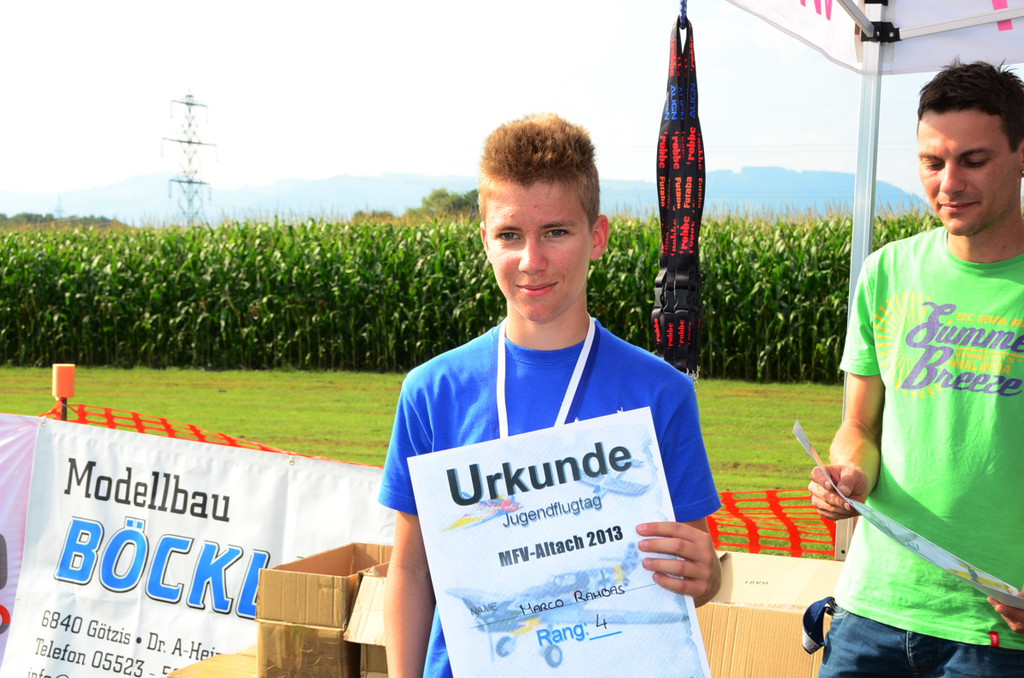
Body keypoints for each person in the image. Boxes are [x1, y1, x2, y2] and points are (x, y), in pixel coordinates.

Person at [378, 112, 722, 677]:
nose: (531, 261)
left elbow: (692, 570)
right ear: (485, 239)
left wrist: (705, 576)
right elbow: (412, 571)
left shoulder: (662, 394)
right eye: (510, 235)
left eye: (556, 232)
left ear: (598, 237)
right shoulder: (433, 392)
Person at [809, 59, 1024, 676]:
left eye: (973, 160)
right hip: (873, 608)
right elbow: (860, 425)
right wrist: (849, 473)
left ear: (1020, 156)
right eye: (932, 162)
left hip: (996, 631)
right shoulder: (886, 271)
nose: (949, 183)